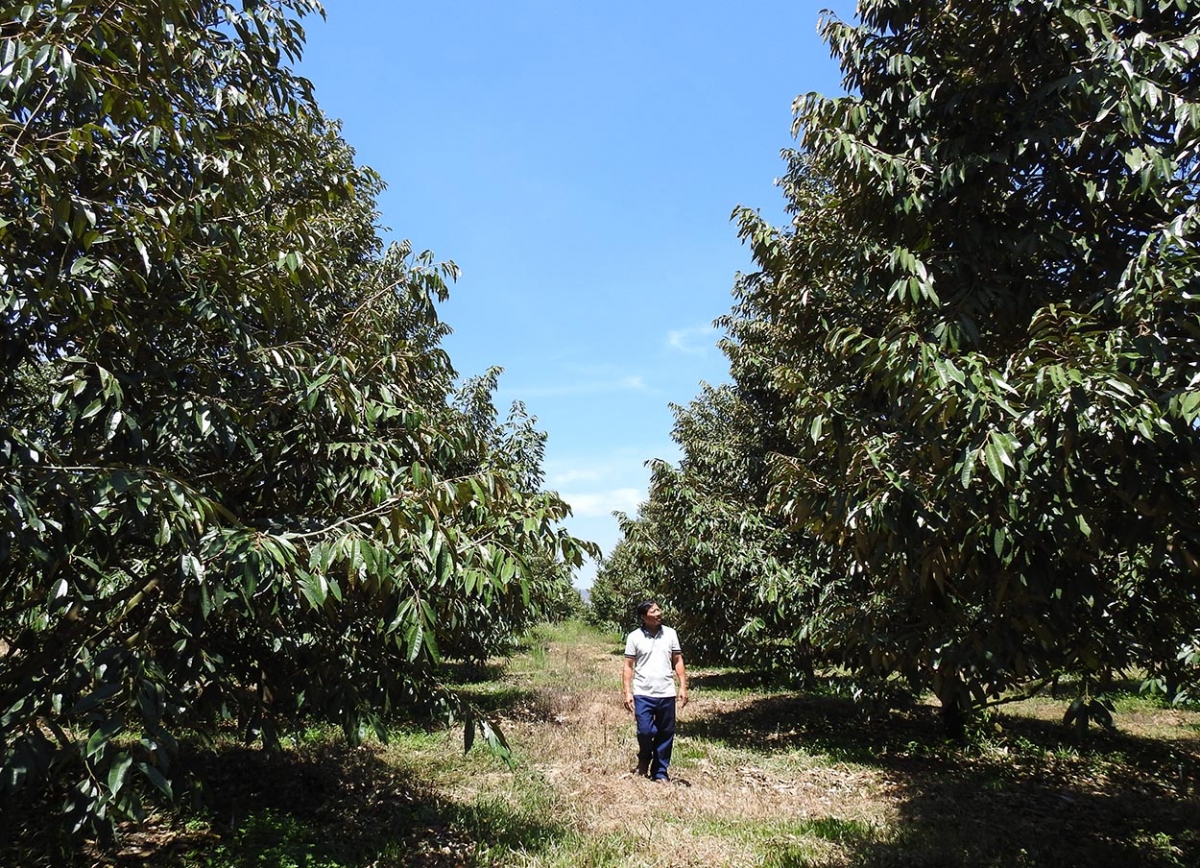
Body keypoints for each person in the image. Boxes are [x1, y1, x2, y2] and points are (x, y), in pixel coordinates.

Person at [622, 599, 688, 782]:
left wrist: (683, 685)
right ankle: (644, 757)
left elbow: (678, 660)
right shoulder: (634, 637)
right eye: (653, 611)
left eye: (659, 610)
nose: (658, 614)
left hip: (666, 692)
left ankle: (660, 772)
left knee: (666, 733)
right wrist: (627, 691)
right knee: (645, 731)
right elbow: (628, 665)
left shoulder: (670, 634)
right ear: (644, 617)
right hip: (643, 692)